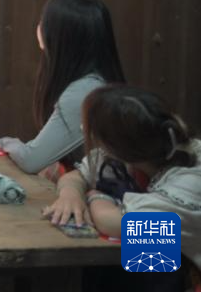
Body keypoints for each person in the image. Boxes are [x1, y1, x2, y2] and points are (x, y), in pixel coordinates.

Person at [44, 84, 200, 291]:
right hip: (180, 262)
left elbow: (117, 224)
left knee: (148, 255)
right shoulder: (143, 151)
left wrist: (95, 195)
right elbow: (78, 176)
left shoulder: (189, 185)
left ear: (115, 145)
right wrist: (70, 195)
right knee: (147, 256)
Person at [0, 0, 126, 175]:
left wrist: (5, 143)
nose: (39, 26)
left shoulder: (83, 93)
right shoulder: (94, 83)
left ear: (61, 36)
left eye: (44, 21)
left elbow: (30, 160)